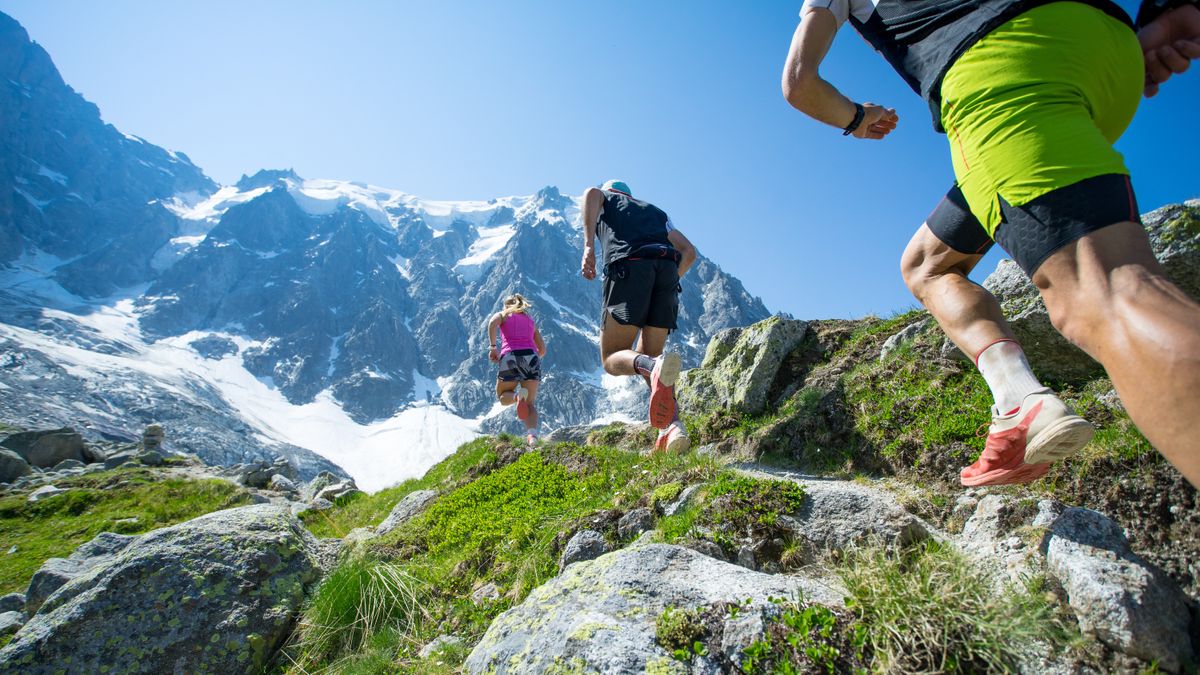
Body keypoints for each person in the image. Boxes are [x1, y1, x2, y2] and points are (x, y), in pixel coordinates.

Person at [780, 1, 1200, 487]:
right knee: (926, 265)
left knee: (1103, 288)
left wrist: (856, 117)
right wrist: (1158, 23)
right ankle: (1018, 399)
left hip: (1004, 68)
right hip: (1105, 48)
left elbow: (799, 82)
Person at [580, 180, 698, 453]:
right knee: (650, 361)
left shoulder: (606, 198)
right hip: (666, 271)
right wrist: (665, 283)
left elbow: (591, 193)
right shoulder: (657, 213)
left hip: (629, 267)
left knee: (612, 357)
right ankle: (674, 428)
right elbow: (689, 253)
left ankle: (655, 367)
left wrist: (588, 246)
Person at [488, 294, 547, 445]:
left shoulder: (503, 314)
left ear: (506, 306)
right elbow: (542, 350)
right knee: (530, 403)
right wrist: (531, 360)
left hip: (510, 356)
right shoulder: (531, 321)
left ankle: (516, 397)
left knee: (502, 396)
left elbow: (492, 324)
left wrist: (494, 348)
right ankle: (532, 436)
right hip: (531, 358)